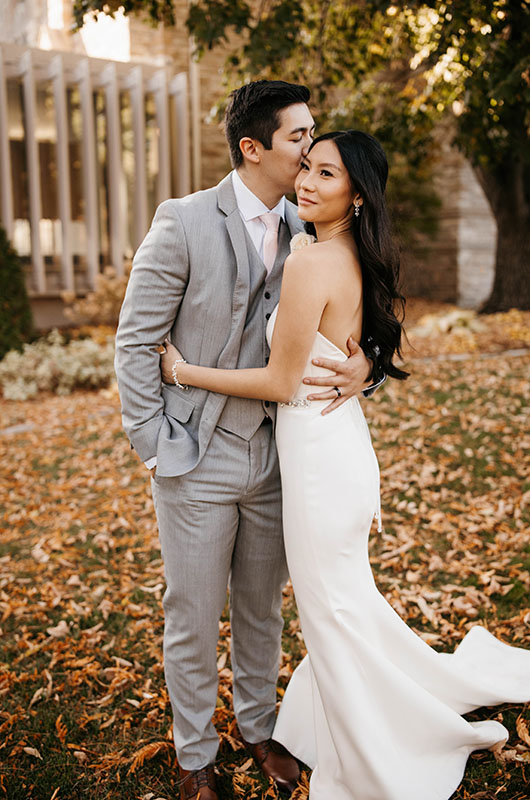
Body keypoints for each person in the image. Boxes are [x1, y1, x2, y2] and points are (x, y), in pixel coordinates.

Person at [160, 130, 530, 800]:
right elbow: (354, 347)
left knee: (333, 612)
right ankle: (357, 717)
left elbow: (279, 382)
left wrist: (185, 370)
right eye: (305, 166)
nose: (306, 181)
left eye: (325, 174)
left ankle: (378, 756)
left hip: (321, 465)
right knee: (345, 607)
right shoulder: (345, 251)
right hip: (336, 449)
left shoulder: (311, 263)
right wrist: (363, 368)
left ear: (355, 193)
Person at [115, 81, 381, 800]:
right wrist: (152, 442)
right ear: (253, 147)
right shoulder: (182, 221)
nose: (311, 149)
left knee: (262, 606)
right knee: (194, 612)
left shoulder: (312, 222)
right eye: (299, 137)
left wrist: (365, 365)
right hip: (194, 455)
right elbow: (135, 343)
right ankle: (195, 752)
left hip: (280, 456)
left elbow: (362, 305)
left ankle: (260, 729)